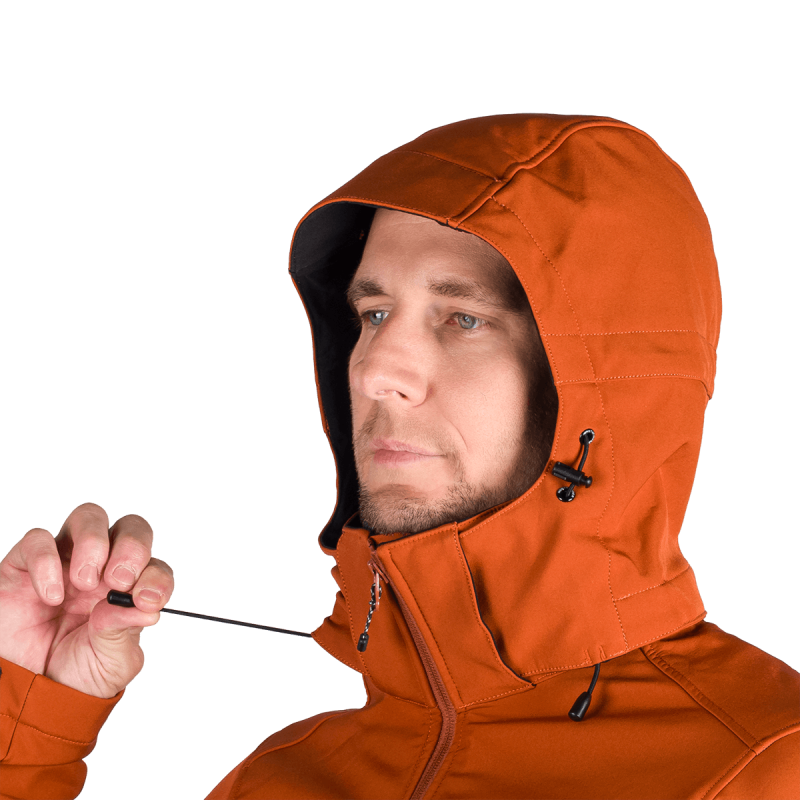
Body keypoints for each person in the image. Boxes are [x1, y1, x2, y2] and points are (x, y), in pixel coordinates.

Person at [1, 113, 798, 799]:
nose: (375, 369)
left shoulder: (767, 766)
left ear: (606, 388)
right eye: (374, 312)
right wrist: (30, 723)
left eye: (463, 318)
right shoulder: (282, 777)